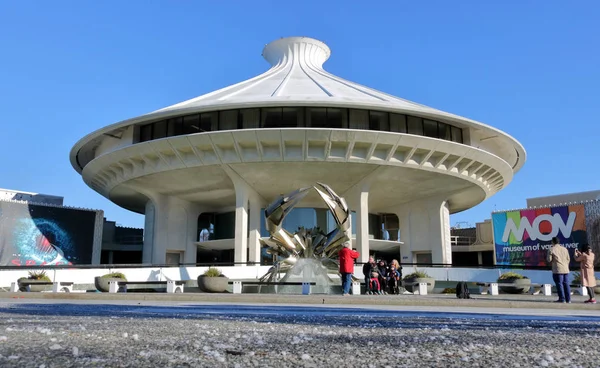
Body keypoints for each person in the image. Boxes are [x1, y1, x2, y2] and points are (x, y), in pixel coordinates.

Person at [547, 237, 571, 303]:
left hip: (557, 269)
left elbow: (549, 260)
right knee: (566, 284)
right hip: (566, 269)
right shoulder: (565, 249)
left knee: (559, 284)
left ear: (552, 242)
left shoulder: (551, 249)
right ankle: (568, 299)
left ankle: (562, 299)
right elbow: (568, 259)